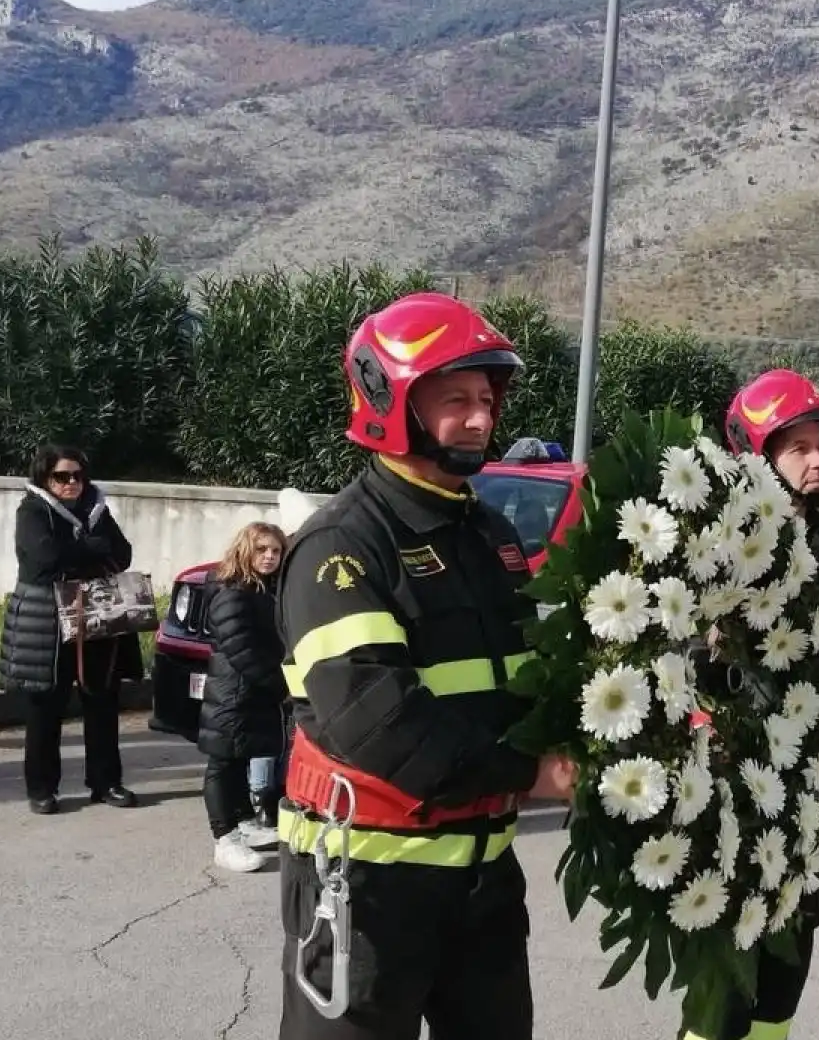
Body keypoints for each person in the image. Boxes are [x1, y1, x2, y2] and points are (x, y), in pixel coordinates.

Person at [275, 292, 578, 1040]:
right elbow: (378, 720)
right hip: (369, 891)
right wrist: (532, 773)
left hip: (484, 884)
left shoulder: (488, 532)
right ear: (390, 401)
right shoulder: (341, 546)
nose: (480, 418)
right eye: (455, 400)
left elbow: (525, 681)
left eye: (485, 398)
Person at [683, 369, 819, 1040]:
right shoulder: (716, 550)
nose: (818, 460)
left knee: (783, 982)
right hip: (735, 797)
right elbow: (674, 670)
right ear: (754, 455)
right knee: (725, 988)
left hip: (811, 800)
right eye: (798, 448)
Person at [0, 446, 143, 814]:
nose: (72, 483)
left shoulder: (97, 507)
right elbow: (43, 558)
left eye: (78, 475)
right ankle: (43, 789)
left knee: (102, 700)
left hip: (96, 610)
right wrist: (91, 548)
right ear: (46, 478)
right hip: (45, 618)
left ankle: (106, 782)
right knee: (45, 707)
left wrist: (79, 550)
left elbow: (122, 553)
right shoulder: (32, 510)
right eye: (63, 477)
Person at [198, 521, 289, 873]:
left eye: (275, 551)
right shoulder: (231, 590)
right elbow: (241, 648)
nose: (269, 557)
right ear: (244, 550)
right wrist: (280, 685)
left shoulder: (264, 587)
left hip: (251, 692)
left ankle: (244, 823)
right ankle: (224, 838)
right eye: (261, 549)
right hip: (232, 692)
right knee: (221, 763)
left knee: (239, 757)